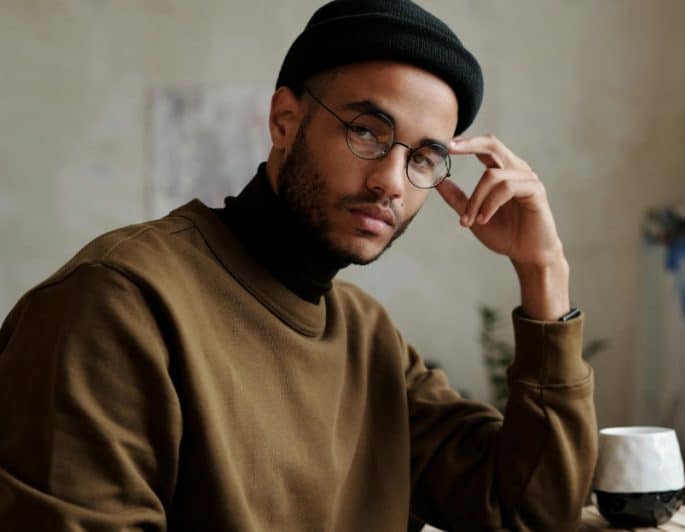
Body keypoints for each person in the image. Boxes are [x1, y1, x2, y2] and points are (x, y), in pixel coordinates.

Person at [0, 1, 597, 530]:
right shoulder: (119, 301)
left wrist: (543, 272)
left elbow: (529, 512)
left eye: (424, 158)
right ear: (284, 119)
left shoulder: (370, 339)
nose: (391, 182)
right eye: (367, 131)